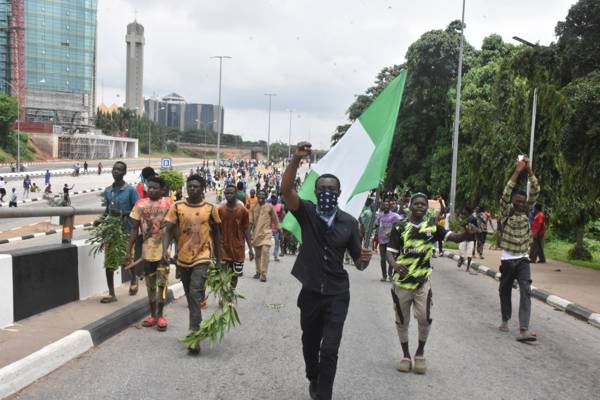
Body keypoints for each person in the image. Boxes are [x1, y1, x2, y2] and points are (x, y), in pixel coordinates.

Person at [281, 142, 372, 400]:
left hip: (337, 294)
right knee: (310, 345)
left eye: (331, 189)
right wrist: (295, 161)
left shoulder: (349, 223)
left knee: (330, 350)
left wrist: (364, 258)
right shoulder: (306, 212)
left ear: (340, 192)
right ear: (316, 191)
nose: (327, 193)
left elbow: (359, 263)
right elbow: (285, 190)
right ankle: (313, 376)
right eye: (322, 189)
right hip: (310, 292)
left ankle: (324, 394)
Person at [386, 193, 474, 375]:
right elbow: (390, 251)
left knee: (424, 318)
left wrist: (467, 234)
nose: (420, 206)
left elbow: (455, 238)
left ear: (427, 207)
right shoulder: (400, 227)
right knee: (402, 320)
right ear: (410, 206)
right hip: (402, 283)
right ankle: (405, 356)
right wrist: (394, 265)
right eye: (416, 203)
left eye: (423, 204)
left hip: (422, 282)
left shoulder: (432, 227)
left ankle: (419, 353)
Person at [162, 174, 221, 355]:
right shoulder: (177, 206)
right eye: (190, 186)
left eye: (196, 186)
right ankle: (195, 322)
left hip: (202, 255)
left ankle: (194, 334)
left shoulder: (211, 208)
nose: (192, 189)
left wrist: (218, 259)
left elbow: (217, 235)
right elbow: (168, 230)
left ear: (202, 188)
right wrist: (165, 251)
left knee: (195, 292)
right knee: (189, 294)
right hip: (183, 256)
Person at [497, 156, 539, 342]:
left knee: (525, 290)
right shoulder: (506, 211)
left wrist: (528, 170)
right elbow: (506, 193)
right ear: (513, 202)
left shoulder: (528, 210)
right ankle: (505, 319)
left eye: (524, 202)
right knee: (504, 290)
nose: (522, 204)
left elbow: (536, 189)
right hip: (507, 259)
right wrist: (517, 170)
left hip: (523, 258)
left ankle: (523, 329)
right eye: (519, 201)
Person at [126, 176, 174, 332]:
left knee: (162, 283)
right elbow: (134, 229)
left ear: (162, 189)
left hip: (164, 251)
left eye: (155, 188)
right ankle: (152, 314)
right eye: (150, 187)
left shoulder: (169, 203)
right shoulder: (140, 204)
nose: (152, 190)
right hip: (147, 251)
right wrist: (129, 251)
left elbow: (175, 228)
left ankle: (161, 315)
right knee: (150, 284)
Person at [100, 161, 140, 303]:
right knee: (109, 262)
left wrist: (123, 213)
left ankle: (134, 278)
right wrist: (101, 220)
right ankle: (111, 293)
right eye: (114, 169)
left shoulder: (130, 191)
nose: (116, 171)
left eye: (119, 170)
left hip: (126, 231)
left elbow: (138, 210)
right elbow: (107, 211)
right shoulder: (108, 191)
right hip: (112, 231)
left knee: (126, 258)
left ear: (124, 172)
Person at [218, 185, 254, 290]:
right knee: (223, 273)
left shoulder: (243, 211)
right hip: (223, 248)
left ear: (236, 194)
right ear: (224, 194)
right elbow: (216, 229)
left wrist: (250, 249)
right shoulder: (220, 210)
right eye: (227, 193)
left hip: (238, 248)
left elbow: (246, 229)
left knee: (235, 274)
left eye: (231, 193)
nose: (229, 195)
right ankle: (224, 295)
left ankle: (230, 293)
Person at [249, 190, 281, 282]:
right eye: (259, 195)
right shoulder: (252, 207)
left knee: (265, 252)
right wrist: (248, 233)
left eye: (263, 195)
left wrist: (280, 231)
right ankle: (258, 271)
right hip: (256, 233)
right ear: (257, 196)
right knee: (258, 255)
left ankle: (263, 274)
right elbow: (250, 222)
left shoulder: (269, 207)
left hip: (267, 233)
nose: (261, 197)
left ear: (266, 196)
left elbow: (275, 219)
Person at [374, 200, 402, 282]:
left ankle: (390, 275)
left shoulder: (394, 215)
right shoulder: (379, 215)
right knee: (382, 259)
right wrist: (372, 227)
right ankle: (384, 276)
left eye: (387, 205)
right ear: (382, 206)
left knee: (390, 258)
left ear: (390, 207)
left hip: (391, 240)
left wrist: (393, 229)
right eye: (384, 205)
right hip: (382, 239)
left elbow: (400, 222)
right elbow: (375, 224)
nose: (386, 206)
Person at [457, 207, 479, 274]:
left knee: (469, 254)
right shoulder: (464, 218)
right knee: (461, 251)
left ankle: (468, 268)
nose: (463, 211)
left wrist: (472, 231)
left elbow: (477, 228)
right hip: (464, 237)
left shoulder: (473, 219)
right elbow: (461, 226)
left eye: (464, 210)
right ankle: (461, 259)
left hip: (471, 238)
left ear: (468, 211)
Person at [271, 193, 285, 262]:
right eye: (272, 198)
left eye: (275, 198)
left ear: (277, 199)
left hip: (276, 227)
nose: (273, 199)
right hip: (268, 227)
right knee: (266, 242)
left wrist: (280, 225)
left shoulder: (280, 206)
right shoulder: (268, 206)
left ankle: (275, 256)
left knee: (277, 242)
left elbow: (283, 216)